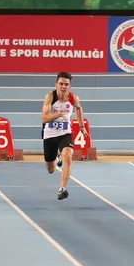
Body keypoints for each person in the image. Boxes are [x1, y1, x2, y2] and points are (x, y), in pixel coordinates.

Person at [41, 72, 89, 200]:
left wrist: (82, 127)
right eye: (61, 84)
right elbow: (44, 118)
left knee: (68, 156)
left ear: (70, 86)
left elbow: (78, 109)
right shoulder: (50, 97)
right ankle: (57, 157)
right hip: (50, 134)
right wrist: (56, 115)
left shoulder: (73, 98)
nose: (63, 86)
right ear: (56, 84)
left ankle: (62, 189)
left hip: (65, 133)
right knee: (51, 169)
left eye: (66, 84)